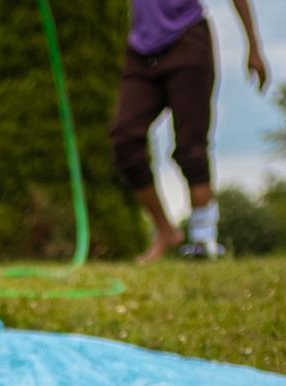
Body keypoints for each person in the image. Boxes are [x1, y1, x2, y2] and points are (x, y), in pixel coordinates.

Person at [110, 0, 270, 262]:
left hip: (187, 41)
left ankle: (203, 239)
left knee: (190, 147)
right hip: (141, 49)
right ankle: (165, 230)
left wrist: (253, 46)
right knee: (124, 138)